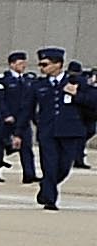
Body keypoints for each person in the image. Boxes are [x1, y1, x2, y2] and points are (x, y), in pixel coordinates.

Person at [39, 49, 88, 209]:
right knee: (49, 165)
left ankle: (46, 186)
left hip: (70, 130)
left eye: (45, 64)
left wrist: (77, 95)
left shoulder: (76, 81)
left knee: (64, 166)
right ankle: (50, 199)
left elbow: (93, 101)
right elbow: (27, 109)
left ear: (58, 64)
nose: (42, 67)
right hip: (48, 132)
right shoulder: (39, 85)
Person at [0, 51, 39, 183]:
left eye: (24, 63)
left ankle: (29, 174)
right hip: (6, 119)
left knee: (26, 147)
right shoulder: (2, 80)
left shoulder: (28, 80)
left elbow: (30, 101)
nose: (23, 65)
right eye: (20, 63)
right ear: (12, 64)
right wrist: (5, 114)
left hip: (23, 118)